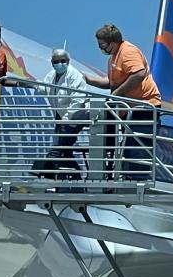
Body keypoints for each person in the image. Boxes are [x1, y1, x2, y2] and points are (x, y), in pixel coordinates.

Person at [83, 24, 162, 180]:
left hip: (144, 105)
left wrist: (117, 95)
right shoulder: (114, 57)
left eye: (102, 45)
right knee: (128, 144)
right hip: (130, 107)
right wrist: (90, 81)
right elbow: (112, 83)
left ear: (112, 42)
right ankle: (119, 171)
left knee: (137, 145)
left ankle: (137, 179)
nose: (101, 49)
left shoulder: (127, 52)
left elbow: (139, 74)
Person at [29, 49, 89, 181]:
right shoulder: (51, 75)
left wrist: (67, 119)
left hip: (76, 117)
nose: (60, 63)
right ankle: (75, 176)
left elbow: (78, 100)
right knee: (64, 149)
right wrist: (32, 84)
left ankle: (45, 171)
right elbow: (46, 88)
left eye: (63, 61)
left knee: (60, 146)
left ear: (68, 61)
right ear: (52, 63)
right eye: (56, 61)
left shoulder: (74, 75)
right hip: (60, 115)